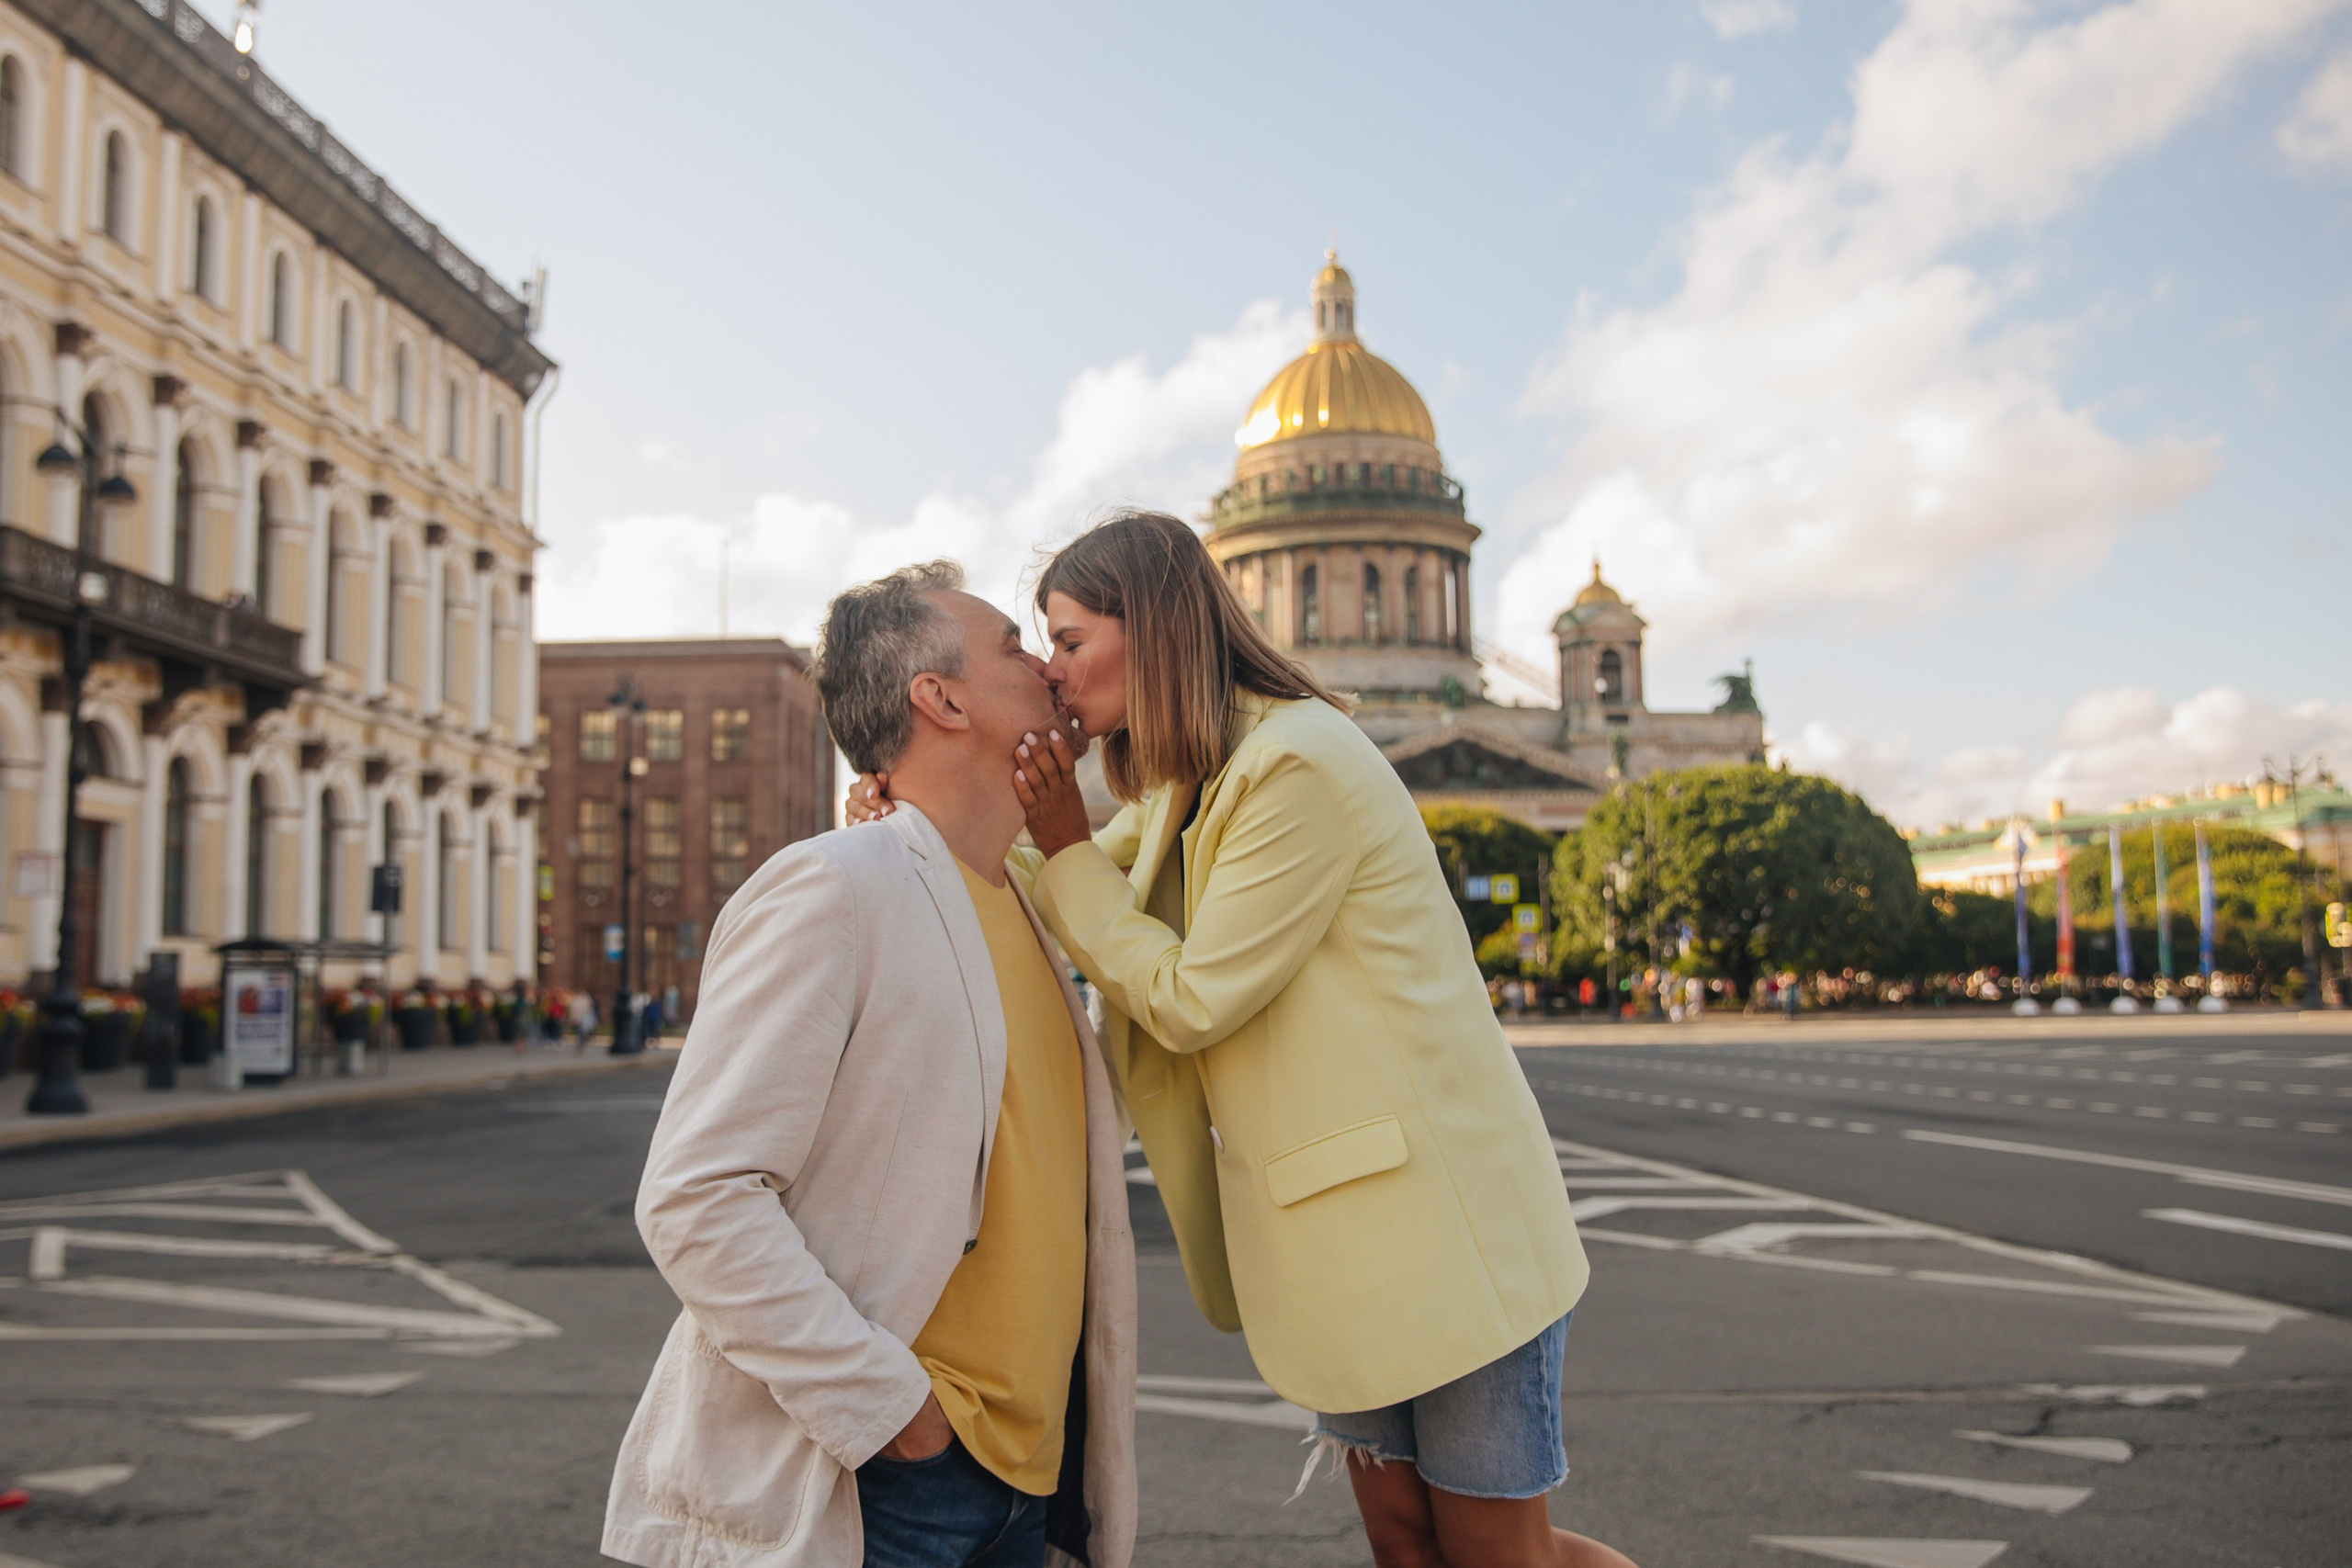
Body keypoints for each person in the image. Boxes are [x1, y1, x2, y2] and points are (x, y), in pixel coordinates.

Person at [854, 513, 1633, 1568]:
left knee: (1498, 1556)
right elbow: (1059, 884)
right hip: (1344, 1246)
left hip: (1442, 1234)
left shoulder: (1294, 764)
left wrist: (1066, 842)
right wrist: (924, 825)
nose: (1050, 666)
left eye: (1071, 639)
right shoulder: (1192, 777)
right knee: (1406, 1544)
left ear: (1158, 631)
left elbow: (1189, 995)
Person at [605, 562, 1136, 1568]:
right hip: (888, 1490)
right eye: (1014, 650)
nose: (1049, 670)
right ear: (938, 699)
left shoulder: (1024, 906)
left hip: (1027, 1489)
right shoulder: (831, 888)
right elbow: (695, 1199)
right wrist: (898, 1419)